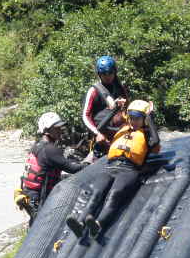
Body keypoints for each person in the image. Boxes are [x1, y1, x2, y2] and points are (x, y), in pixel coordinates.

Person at [66, 100, 160, 239]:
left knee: (114, 195)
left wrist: (149, 118)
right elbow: (100, 127)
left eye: (137, 118)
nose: (133, 121)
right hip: (110, 167)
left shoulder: (147, 135)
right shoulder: (121, 130)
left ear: (144, 119)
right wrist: (115, 110)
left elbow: (156, 142)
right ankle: (80, 224)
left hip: (129, 170)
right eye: (131, 117)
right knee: (96, 193)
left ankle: (98, 224)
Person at [16, 112, 86, 225]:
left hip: (30, 194)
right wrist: (88, 164)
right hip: (39, 198)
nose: (60, 130)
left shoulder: (37, 145)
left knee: (35, 224)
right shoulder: (50, 149)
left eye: (60, 127)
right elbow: (73, 168)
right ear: (47, 130)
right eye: (56, 128)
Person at [82, 55, 129, 159]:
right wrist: (97, 133)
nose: (107, 76)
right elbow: (85, 116)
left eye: (110, 73)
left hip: (121, 134)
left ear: (114, 72)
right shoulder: (94, 91)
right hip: (102, 138)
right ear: (99, 74)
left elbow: (128, 109)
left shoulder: (119, 88)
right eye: (104, 74)